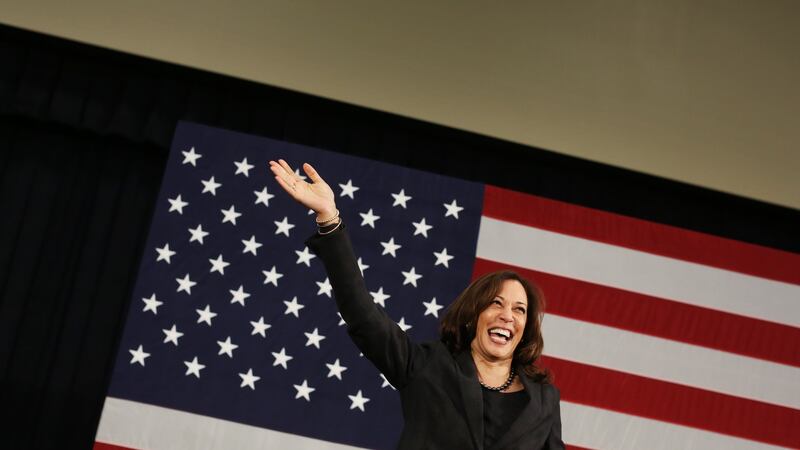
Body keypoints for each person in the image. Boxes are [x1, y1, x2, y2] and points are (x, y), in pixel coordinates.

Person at [269, 159, 564, 450]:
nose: (507, 316)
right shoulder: (428, 366)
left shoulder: (543, 400)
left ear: (526, 328)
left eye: (519, 309)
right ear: (474, 315)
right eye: (496, 304)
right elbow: (364, 316)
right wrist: (329, 219)